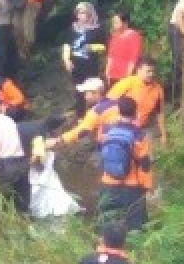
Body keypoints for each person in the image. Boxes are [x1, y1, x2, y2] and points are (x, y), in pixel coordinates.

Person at [96, 96, 152, 231]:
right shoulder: (138, 134)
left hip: (108, 182)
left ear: (119, 111)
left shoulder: (106, 130)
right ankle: (134, 250)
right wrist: (147, 186)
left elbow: (101, 150)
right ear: (135, 112)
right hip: (131, 186)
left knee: (106, 223)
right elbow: (144, 162)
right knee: (135, 226)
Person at [109, 58, 168, 145]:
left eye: (153, 71)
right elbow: (108, 102)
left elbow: (160, 113)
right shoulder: (127, 83)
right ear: (138, 70)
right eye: (148, 71)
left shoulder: (157, 89)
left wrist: (164, 134)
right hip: (119, 126)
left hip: (141, 126)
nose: (151, 74)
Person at [62, 2, 104, 115]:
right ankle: (80, 114)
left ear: (90, 14)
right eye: (78, 12)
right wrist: (66, 59)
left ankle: (96, 114)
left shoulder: (97, 29)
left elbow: (104, 46)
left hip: (90, 65)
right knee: (79, 89)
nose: (80, 15)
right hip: (76, 65)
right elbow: (67, 44)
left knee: (92, 89)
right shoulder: (72, 28)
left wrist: (92, 47)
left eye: (83, 12)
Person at [51, 78, 117, 146]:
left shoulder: (96, 111)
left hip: (111, 145)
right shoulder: (115, 102)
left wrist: (58, 140)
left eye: (86, 93)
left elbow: (81, 132)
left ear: (96, 93)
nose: (85, 96)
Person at [105, 10, 143, 86]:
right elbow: (110, 56)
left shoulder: (134, 36)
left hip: (126, 75)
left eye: (116, 22)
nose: (114, 25)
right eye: (113, 22)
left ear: (125, 23)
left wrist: (128, 76)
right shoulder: (115, 36)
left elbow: (133, 58)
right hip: (113, 74)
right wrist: (107, 72)